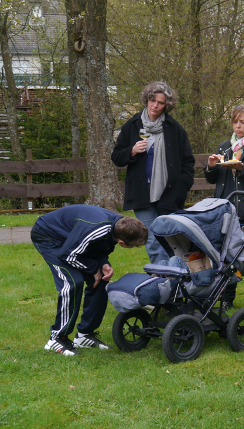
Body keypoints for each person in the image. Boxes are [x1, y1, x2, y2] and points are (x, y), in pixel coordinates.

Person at [31, 205, 148, 356]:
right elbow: (67, 255)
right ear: (122, 243)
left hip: (72, 240)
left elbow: (98, 246)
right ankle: (57, 338)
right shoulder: (95, 229)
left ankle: (85, 335)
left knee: (102, 281)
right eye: (135, 246)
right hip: (49, 236)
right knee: (72, 283)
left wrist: (103, 264)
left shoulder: (119, 226)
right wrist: (93, 269)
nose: (136, 248)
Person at [112, 81, 195, 264]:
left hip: (169, 193)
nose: (155, 105)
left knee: (171, 238)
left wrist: (181, 187)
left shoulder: (175, 129)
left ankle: (176, 272)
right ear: (146, 100)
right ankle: (164, 276)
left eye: (160, 103)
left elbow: (188, 162)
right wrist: (132, 151)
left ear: (167, 105)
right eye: (152, 100)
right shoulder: (132, 125)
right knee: (152, 239)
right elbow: (116, 157)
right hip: (141, 193)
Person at [204, 105, 244, 310]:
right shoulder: (225, 146)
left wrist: (242, 169)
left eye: (243, 122)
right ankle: (227, 298)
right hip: (226, 209)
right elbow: (213, 179)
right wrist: (211, 166)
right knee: (226, 256)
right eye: (235, 122)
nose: (238, 126)